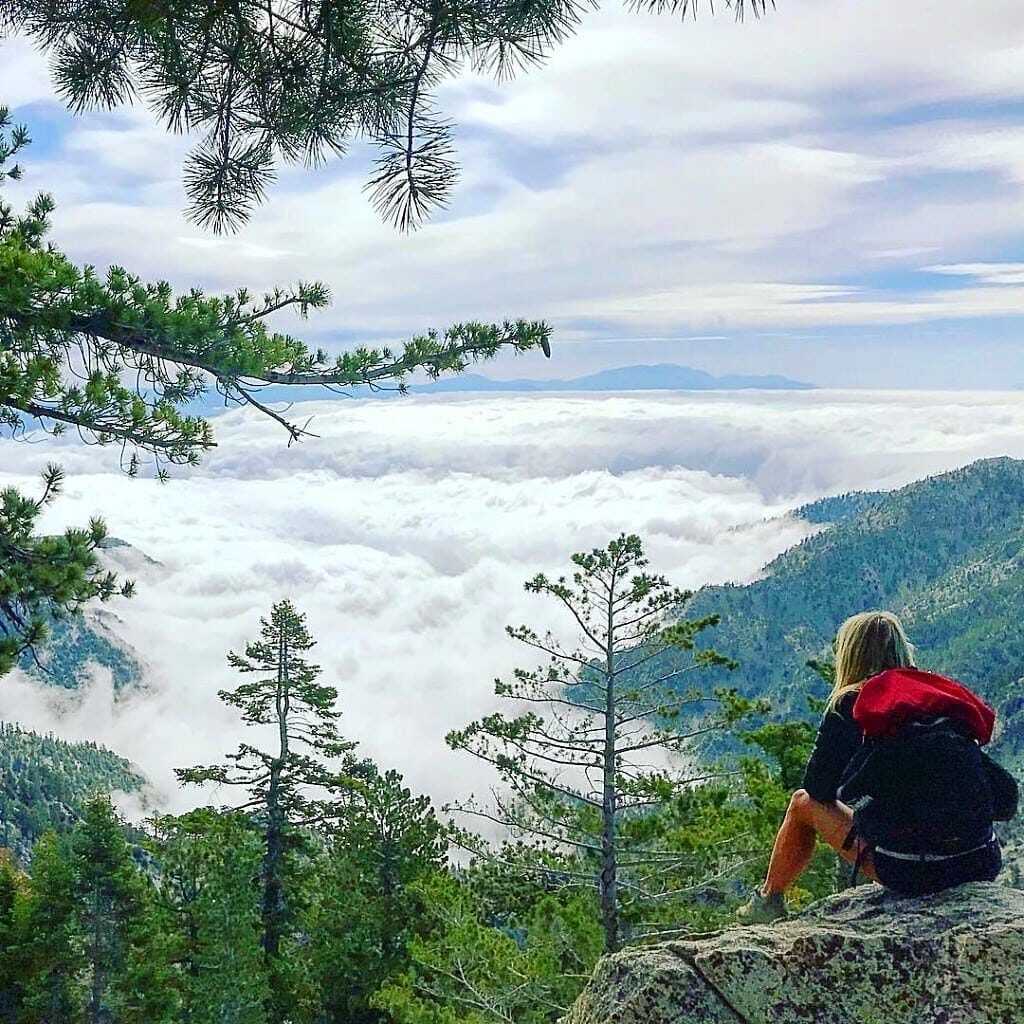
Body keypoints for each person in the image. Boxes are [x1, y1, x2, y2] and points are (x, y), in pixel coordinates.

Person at [738, 610, 1009, 924]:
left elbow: (818, 790)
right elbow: (1000, 797)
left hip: (915, 872)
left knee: (802, 803)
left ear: (849, 655)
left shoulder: (850, 703)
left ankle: (767, 901)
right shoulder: (935, 697)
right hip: (981, 860)